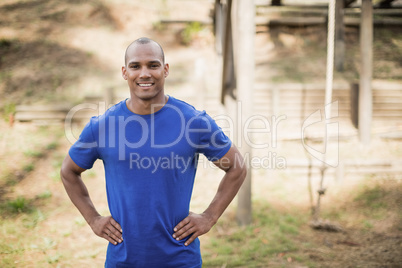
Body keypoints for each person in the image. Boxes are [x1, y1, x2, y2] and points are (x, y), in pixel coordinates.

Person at [60, 37, 246, 268]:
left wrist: (210, 216)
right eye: (136, 66)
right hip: (123, 260)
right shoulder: (103, 126)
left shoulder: (193, 122)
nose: (144, 73)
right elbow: (69, 171)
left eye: (153, 65)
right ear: (124, 72)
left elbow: (237, 166)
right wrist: (94, 219)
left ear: (165, 70)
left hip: (179, 259)